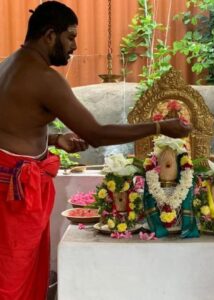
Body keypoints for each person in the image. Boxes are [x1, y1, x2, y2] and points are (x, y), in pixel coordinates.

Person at [0, 1, 191, 299]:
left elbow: (13, 124)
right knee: (13, 280)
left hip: (10, 186)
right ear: (50, 35)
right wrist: (160, 127)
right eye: (71, 36)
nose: (75, 46)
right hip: (16, 196)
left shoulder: (7, 65)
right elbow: (97, 134)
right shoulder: (44, 78)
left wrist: (53, 140)